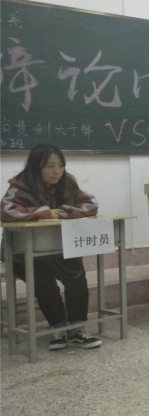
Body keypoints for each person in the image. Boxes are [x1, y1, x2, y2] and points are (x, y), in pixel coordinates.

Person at [1, 145, 102, 350]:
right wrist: (43, 213)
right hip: (22, 253)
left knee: (77, 276)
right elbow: (6, 212)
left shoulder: (67, 183)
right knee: (44, 281)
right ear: (36, 167)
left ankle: (76, 329)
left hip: (58, 250)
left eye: (61, 165)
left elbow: (91, 205)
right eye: (50, 166)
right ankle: (59, 328)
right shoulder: (20, 185)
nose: (57, 171)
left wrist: (67, 211)